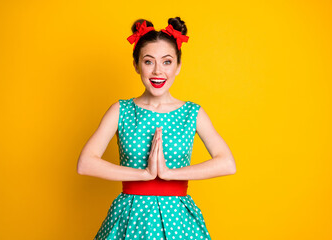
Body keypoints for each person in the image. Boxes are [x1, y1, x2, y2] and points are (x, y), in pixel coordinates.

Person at [77, 16, 236, 240]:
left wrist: (169, 174)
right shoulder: (120, 110)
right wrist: (144, 174)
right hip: (129, 218)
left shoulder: (193, 113)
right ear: (136, 65)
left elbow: (227, 163)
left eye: (167, 61)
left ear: (178, 66)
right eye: (149, 61)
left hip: (178, 221)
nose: (158, 71)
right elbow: (86, 163)